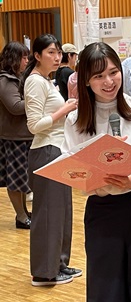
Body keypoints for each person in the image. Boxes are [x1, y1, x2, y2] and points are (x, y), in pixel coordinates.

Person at [62, 42, 131, 302]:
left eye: (113, 72)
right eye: (98, 76)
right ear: (86, 81)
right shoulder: (75, 120)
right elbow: (71, 168)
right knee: (106, 288)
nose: (108, 81)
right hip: (101, 209)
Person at [22, 34, 80, 286]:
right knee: (48, 215)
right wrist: (64, 109)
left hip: (57, 150)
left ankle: (58, 264)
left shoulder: (47, 81)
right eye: (51, 53)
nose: (57, 58)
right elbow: (35, 125)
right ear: (37, 55)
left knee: (61, 213)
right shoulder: (35, 81)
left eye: (59, 53)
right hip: (45, 151)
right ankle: (43, 273)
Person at [0, 41, 33, 229]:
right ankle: (20, 216)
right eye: (24, 57)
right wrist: (37, 99)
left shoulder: (19, 78)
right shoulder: (5, 80)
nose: (26, 61)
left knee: (22, 179)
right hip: (14, 138)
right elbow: (15, 107)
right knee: (15, 180)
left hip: (24, 136)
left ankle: (23, 213)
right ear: (14, 58)